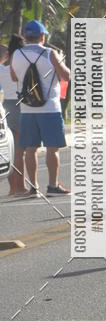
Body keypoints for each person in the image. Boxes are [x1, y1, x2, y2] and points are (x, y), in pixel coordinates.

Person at [10, 21, 70, 196]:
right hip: (50, 108)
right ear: (43, 36)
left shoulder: (17, 54)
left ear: (26, 37)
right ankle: (52, 186)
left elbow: (14, 78)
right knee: (53, 148)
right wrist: (60, 59)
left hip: (27, 109)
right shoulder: (49, 53)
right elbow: (66, 76)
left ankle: (34, 187)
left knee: (30, 148)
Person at [0, 37, 27, 195]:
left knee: (11, 149)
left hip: (7, 105)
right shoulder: (22, 67)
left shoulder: (2, 70)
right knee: (20, 151)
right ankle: (21, 186)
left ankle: (13, 188)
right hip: (20, 105)